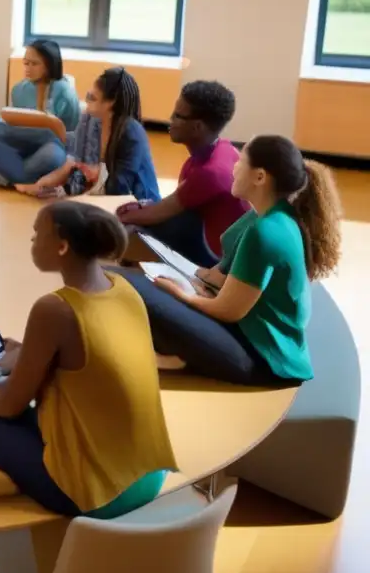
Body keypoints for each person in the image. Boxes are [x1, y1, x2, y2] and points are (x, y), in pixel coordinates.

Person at [0, 202, 177, 517]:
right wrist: (23, 353)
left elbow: (8, 405)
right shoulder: (123, 286)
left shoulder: (54, 308)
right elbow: (86, 360)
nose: (31, 242)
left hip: (99, 493)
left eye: (36, 234)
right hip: (150, 473)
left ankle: (20, 478)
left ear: (61, 246)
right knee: (14, 373)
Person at [115, 135, 343, 386]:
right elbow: (239, 281)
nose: (233, 167)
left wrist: (183, 294)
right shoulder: (274, 216)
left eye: (241, 161)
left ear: (259, 177)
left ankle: (181, 355)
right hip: (252, 332)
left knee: (133, 287)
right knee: (139, 281)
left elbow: (228, 310)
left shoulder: (265, 231)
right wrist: (201, 279)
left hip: (265, 360)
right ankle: (178, 353)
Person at [116, 81, 249, 267]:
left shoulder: (210, 173)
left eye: (178, 115)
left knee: (126, 231)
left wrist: (112, 218)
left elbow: (157, 213)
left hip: (218, 262)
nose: (170, 118)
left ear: (197, 127)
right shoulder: (223, 149)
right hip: (215, 241)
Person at [17, 67, 160, 202]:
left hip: (138, 205)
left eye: (92, 98)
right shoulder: (91, 119)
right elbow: (75, 162)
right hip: (107, 197)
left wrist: (98, 175)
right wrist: (50, 184)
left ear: (111, 102)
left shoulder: (130, 131)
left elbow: (121, 189)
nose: (86, 102)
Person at [0, 40, 79, 187]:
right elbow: (13, 125)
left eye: (34, 64)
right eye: (25, 63)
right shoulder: (19, 90)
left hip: (50, 145)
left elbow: (71, 137)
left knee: (52, 157)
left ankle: (10, 178)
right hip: (21, 141)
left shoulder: (65, 93)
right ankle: (23, 179)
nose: (28, 68)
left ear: (49, 65)